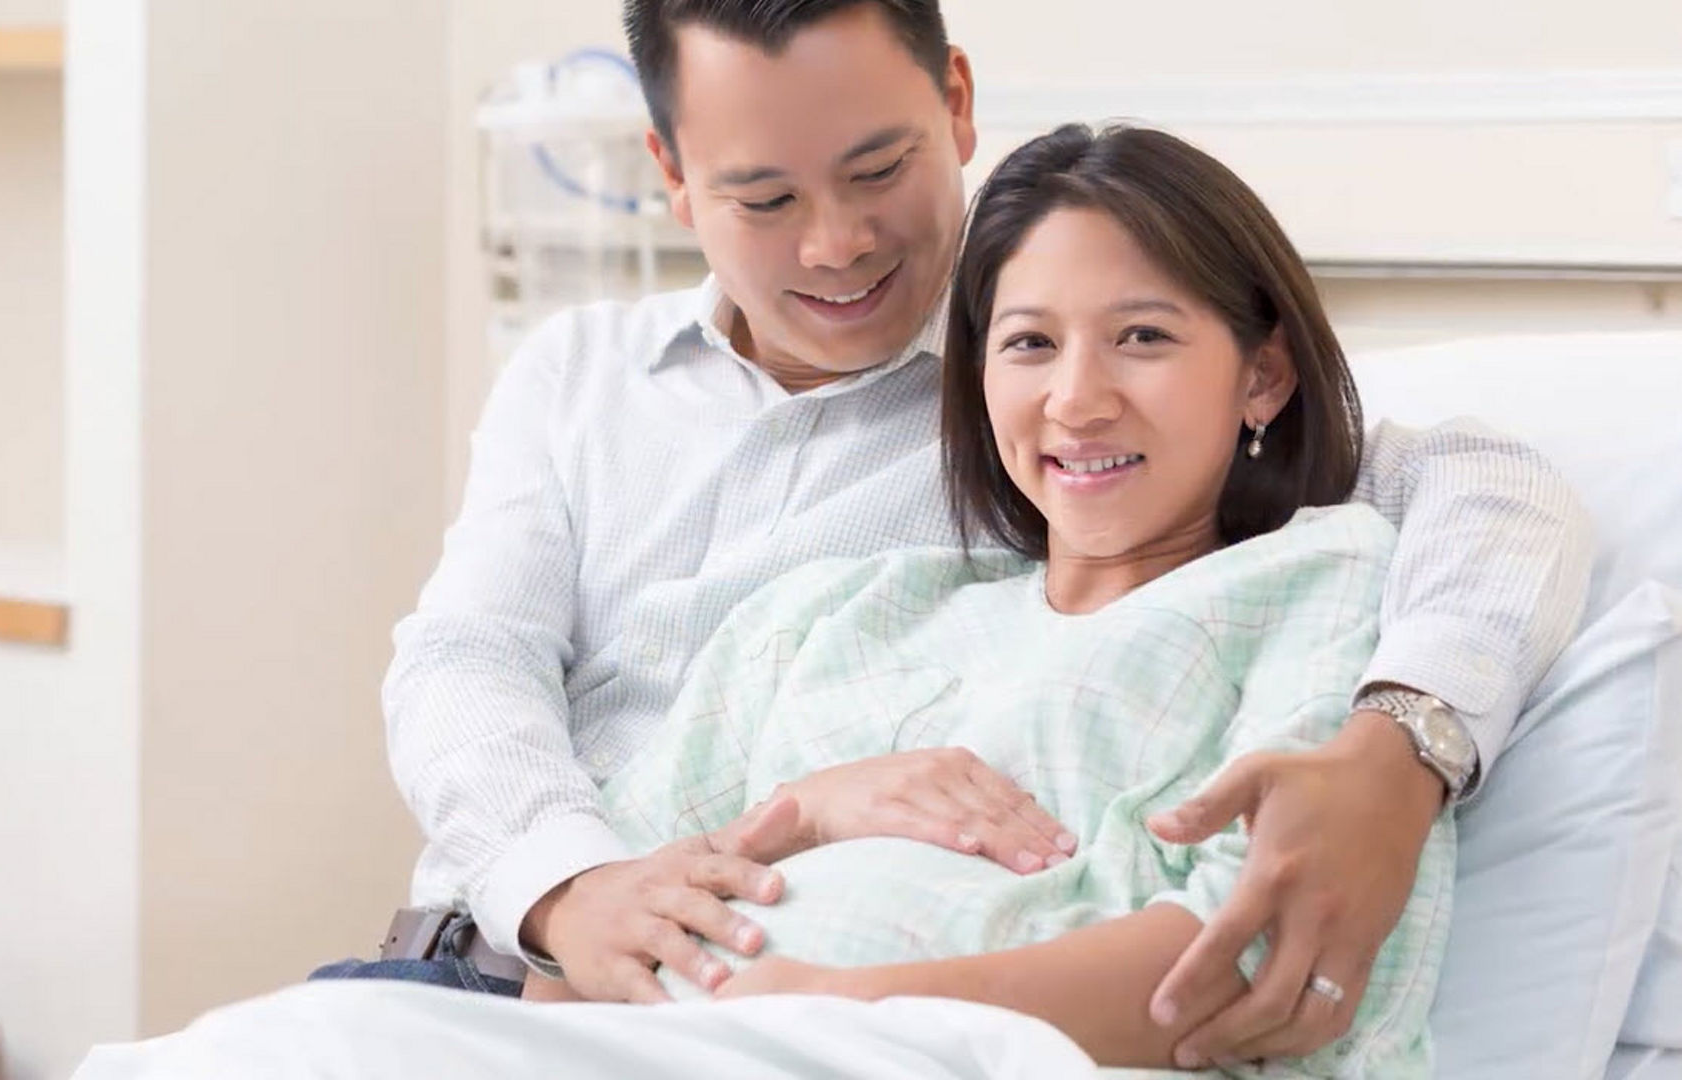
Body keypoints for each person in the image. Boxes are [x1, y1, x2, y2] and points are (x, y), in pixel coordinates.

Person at [359, 0, 1591, 1066]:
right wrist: (575, 892)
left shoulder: (1063, 405)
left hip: (733, 1016)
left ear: (955, 103)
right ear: (673, 174)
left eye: (879, 169)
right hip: (480, 965)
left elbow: (1487, 487)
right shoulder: (580, 376)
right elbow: (466, 661)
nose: (836, 243)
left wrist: (1403, 746)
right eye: (765, 196)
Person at [574, 121, 1451, 1077]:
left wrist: (840, 1015)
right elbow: (579, 952)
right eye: (1030, 342)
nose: (1076, 400)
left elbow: (1246, 954)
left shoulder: (1318, 582)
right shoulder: (836, 616)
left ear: (1264, 376)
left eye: (1142, 337)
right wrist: (807, 812)